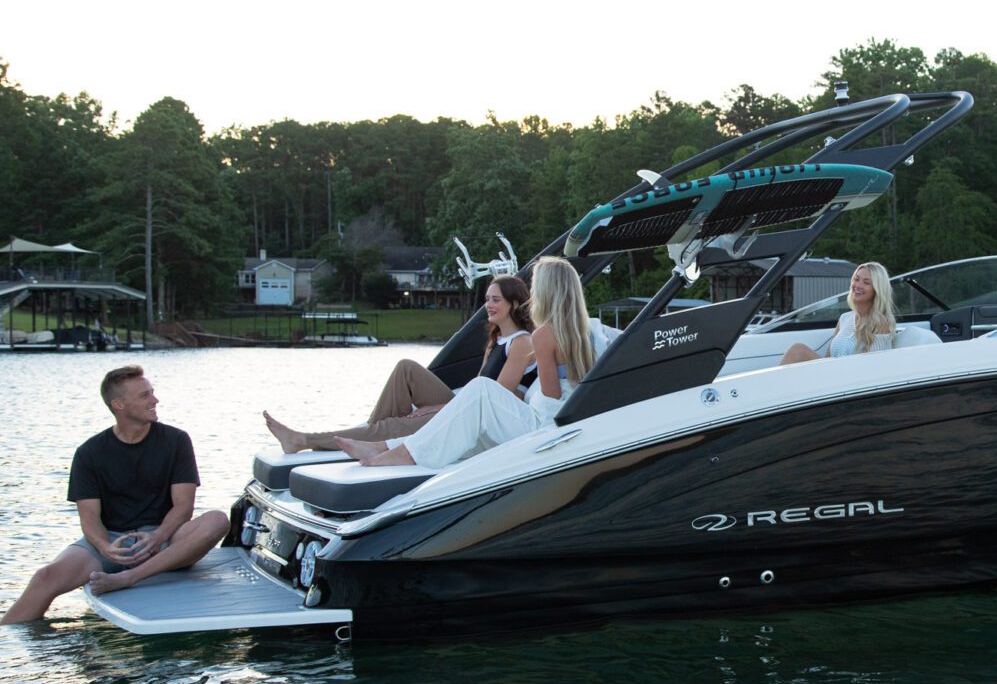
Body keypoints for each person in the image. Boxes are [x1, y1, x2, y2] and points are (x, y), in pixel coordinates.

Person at [1, 366, 229, 624]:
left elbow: (183, 507)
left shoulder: (176, 440)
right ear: (119, 404)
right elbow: (89, 518)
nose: (155, 400)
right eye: (144, 395)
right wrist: (105, 547)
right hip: (113, 540)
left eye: (152, 392)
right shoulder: (89, 453)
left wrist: (157, 537)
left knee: (217, 520)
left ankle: (128, 577)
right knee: (45, 577)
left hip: (167, 540)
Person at [337, 257, 610, 468]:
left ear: (546, 292)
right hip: (558, 422)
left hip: (542, 429)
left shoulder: (544, 335)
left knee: (480, 390)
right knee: (470, 419)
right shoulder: (588, 332)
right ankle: (387, 446)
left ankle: (399, 454)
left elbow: (551, 399)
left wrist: (520, 403)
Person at [263, 275, 535, 453]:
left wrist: (440, 408)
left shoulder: (522, 342)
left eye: (495, 300)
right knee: (406, 368)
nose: (488, 305)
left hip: (479, 415)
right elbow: (477, 386)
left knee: (393, 424)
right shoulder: (496, 339)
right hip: (467, 403)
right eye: (487, 299)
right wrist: (442, 405)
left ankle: (303, 440)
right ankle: (374, 433)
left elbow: (494, 397)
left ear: (514, 304)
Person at [779, 262, 897, 365]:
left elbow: (875, 367)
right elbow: (828, 359)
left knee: (798, 350)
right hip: (832, 373)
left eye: (866, 282)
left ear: (877, 290)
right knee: (797, 350)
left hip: (853, 379)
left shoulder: (880, 323)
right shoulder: (845, 318)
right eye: (856, 279)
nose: (857, 285)